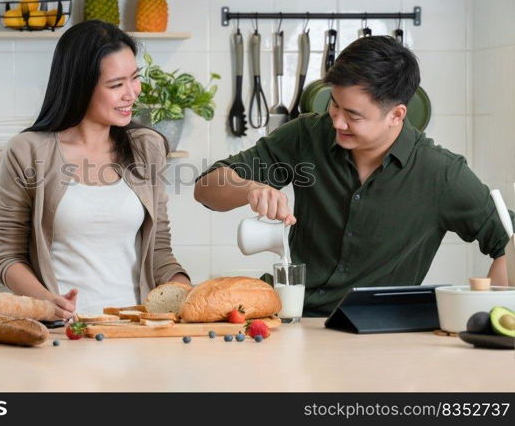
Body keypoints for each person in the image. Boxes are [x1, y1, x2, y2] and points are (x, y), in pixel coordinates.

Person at [194, 36, 511, 317]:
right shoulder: (307, 135)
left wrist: (499, 314)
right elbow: (206, 188)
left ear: (396, 115)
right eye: (335, 105)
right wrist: (250, 188)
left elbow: (506, 240)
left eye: (354, 115)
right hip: (286, 317)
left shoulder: (439, 173)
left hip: (375, 333)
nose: (337, 122)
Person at [0, 20, 190, 320]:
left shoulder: (146, 147)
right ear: (80, 86)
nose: (132, 93)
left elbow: (159, 250)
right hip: (62, 333)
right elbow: (9, 257)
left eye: (134, 78)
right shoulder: (27, 151)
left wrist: (183, 288)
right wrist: (48, 302)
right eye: (116, 85)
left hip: (135, 331)